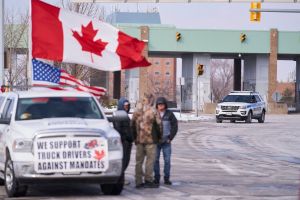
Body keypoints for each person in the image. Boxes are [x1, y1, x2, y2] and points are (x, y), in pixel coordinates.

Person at [131, 93, 162, 188]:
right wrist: (159, 138)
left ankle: (138, 182)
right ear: (151, 100)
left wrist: (134, 138)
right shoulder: (153, 111)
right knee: (150, 161)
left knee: (138, 162)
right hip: (151, 140)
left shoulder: (137, 111)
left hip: (139, 140)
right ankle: (148, 180)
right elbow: (159, 125)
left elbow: (132, 125)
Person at [154, 97, 178, 185]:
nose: (161, 106)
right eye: (159, 105)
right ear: (157, 105)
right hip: (156, 142)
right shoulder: (153, 114)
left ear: (165, 105)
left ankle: (166, 178)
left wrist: (170, 138)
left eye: (162, 104)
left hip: (166, 142)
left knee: (167, 160)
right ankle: (156, 178)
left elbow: (175, 126)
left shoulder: (169, 114)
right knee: (155, 160)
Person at [113, 97, 133, 184]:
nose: (126, 107)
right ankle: (120, 179)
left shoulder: (125, 115)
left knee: (126, 160)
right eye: (125, 105)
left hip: (128, 141)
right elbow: (118, 129)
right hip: (123, 142)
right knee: (123, 160)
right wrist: (124, 138)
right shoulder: (118, 115)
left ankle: (122, 177)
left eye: (128, 105)